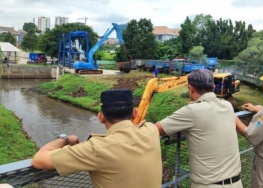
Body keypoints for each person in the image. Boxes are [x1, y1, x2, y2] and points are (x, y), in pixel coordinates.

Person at [31, 89, 162, 188]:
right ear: (135, 113)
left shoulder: (96, 149)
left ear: (101, 117)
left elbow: (38, 160)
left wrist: (65, 139)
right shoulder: (151, 130)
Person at [155, 69, 243, 188]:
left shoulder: (192, 111)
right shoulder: (227, 105)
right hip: (236, 183)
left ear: (190, 88)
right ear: (213, 86)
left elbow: (157, 129)